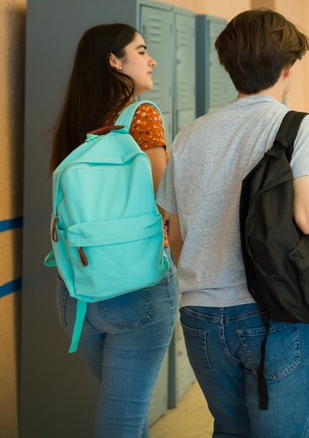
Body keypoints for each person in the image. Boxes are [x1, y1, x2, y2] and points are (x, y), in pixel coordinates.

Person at [157, 9, 309, 437]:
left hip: (199, 314)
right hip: (269, 312)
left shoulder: (189, 135)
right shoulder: (295, 126)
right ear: (287, 67)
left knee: (231, 430)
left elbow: (174, 236)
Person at [50, 23, 177, 438]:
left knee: (126, 408)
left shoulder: (77, 121)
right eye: (141, 51)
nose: (151, 59)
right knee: (123, 419)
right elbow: (165, 198)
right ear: (114, 61)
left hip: (77, 289)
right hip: (137, 287)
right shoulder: (141, 114)